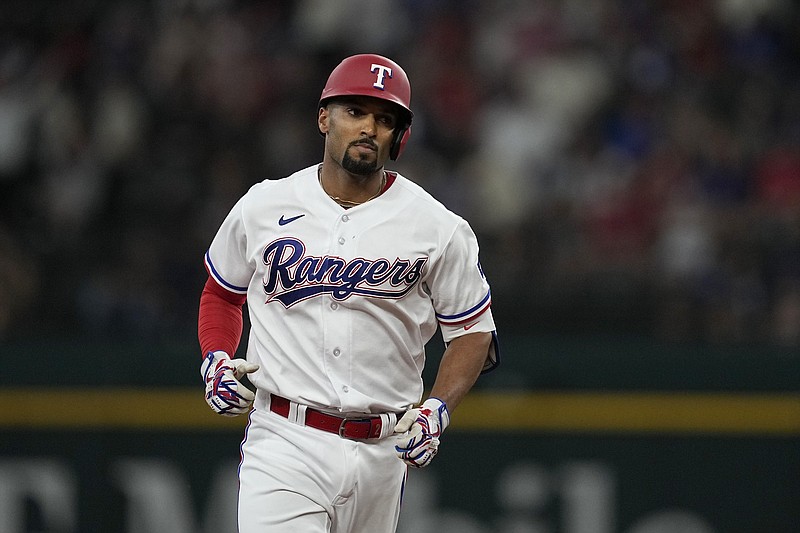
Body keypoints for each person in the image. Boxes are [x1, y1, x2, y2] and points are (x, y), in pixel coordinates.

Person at [197, 53, 499, 533]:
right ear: (324, 118)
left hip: (384, 452)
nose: (368, 128)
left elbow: (472, 332)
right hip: (284, 437)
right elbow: (222, 292)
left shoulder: (438, 227)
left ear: (399, 136)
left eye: (384, 119)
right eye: (355, 111)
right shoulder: (265, 204)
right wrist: (216, 355)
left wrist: (437, 410)